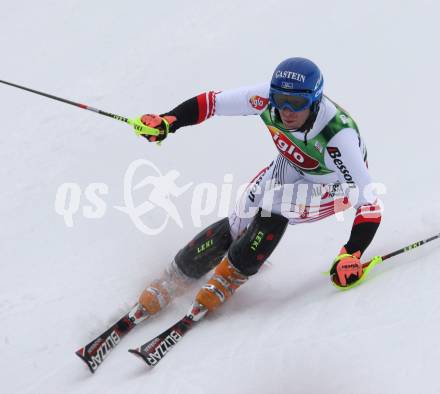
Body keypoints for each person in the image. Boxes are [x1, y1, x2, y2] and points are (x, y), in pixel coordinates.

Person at [135, 57, 382, 321]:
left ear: (315, 101)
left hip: (334, 186)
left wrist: (351, 253)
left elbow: (369, 204)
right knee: (243, 215)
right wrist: (168, 121)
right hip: (292, 163)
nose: (287, 110)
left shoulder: (337, 136)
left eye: (297, 103)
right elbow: (212, 103)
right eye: (280, 100)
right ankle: (177, 275)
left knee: (277, 203)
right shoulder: (264, 98)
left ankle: (231, 276)